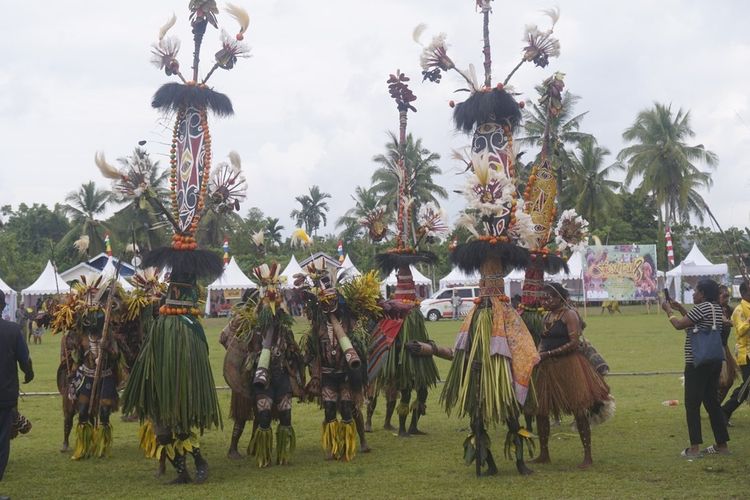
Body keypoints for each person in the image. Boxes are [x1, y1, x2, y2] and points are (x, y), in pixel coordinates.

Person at [533, 283, 610, 469]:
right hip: (547, 368)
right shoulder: (547, 316)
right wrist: (537, 354)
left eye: (550, 297)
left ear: (560, 297)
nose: (546, 300)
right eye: (544, 297)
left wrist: (548, 354)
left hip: (570, 366)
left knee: (579, 409)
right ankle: (544, 453)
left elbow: (574, 343)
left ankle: (587, 456)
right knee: (541, 411)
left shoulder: (569, 315)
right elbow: (543, 341)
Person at [662, 278, 730, 457]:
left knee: (692, 404)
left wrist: (669, 311)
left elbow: (679, 325)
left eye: (696, 291)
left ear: (704, 294)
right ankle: (721, 445)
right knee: (712, 402)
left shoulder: (702, 308)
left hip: (697, 362)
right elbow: (695, 326)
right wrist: (680, 309)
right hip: (714, 360)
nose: (693, 293)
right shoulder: (715, 307)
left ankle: (694, 449)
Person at [0, 290, 34, 481]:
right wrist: (29, 373)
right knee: (2, 442)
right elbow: (24, 359)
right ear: (3, 306)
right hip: (4, 397)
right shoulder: (13, 330)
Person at [722, 281, 750, 423]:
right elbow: (740, 330)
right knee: (747, 386)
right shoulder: (739, 310)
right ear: (744, 293)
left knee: (746, 386)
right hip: (745, 354)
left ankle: (725, 411)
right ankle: (725, 411)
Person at [717, 285, 739, 404]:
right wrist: (737, 322)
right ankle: (715, 409)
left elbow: (740, 311)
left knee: (729, 381)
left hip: (725, 348)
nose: (726, 299)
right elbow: (726, 321)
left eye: (728, 296)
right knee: (722, 381)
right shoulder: (715, 309)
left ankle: (717, 408)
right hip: (716, 349)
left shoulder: (729, 309)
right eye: (724, 296)